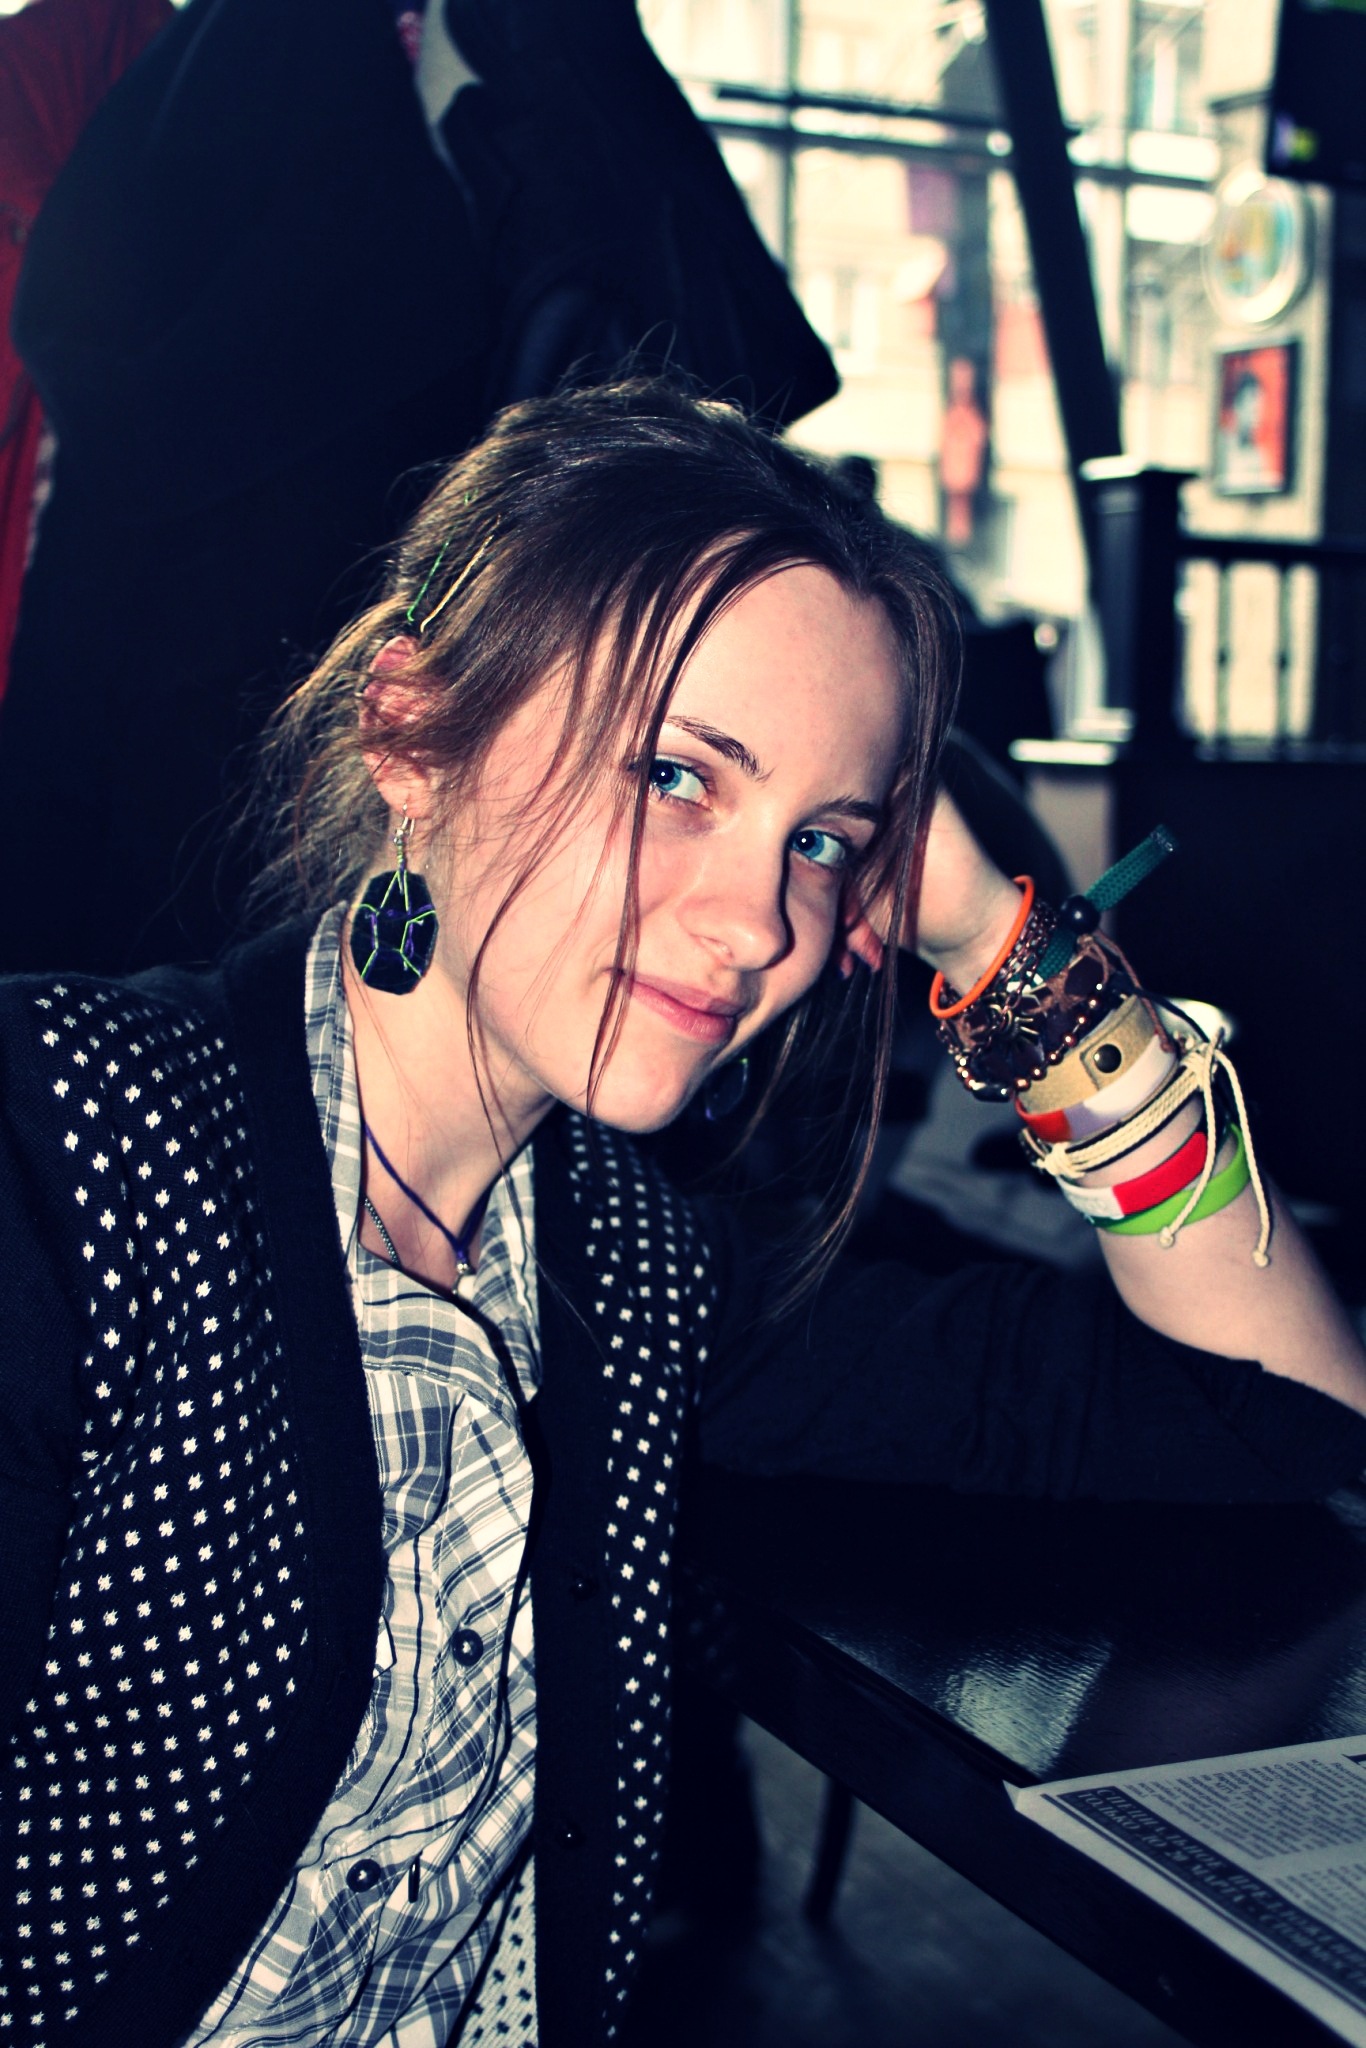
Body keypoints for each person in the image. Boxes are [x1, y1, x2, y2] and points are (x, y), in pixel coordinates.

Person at [2, 377, 1364, 2048]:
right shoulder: (64, 1144)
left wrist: (997, 945)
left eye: (825, 842)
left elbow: (1275, 1409)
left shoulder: (628, 1271)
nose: (757, 926)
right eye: (674, 774)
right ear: (411, 734)